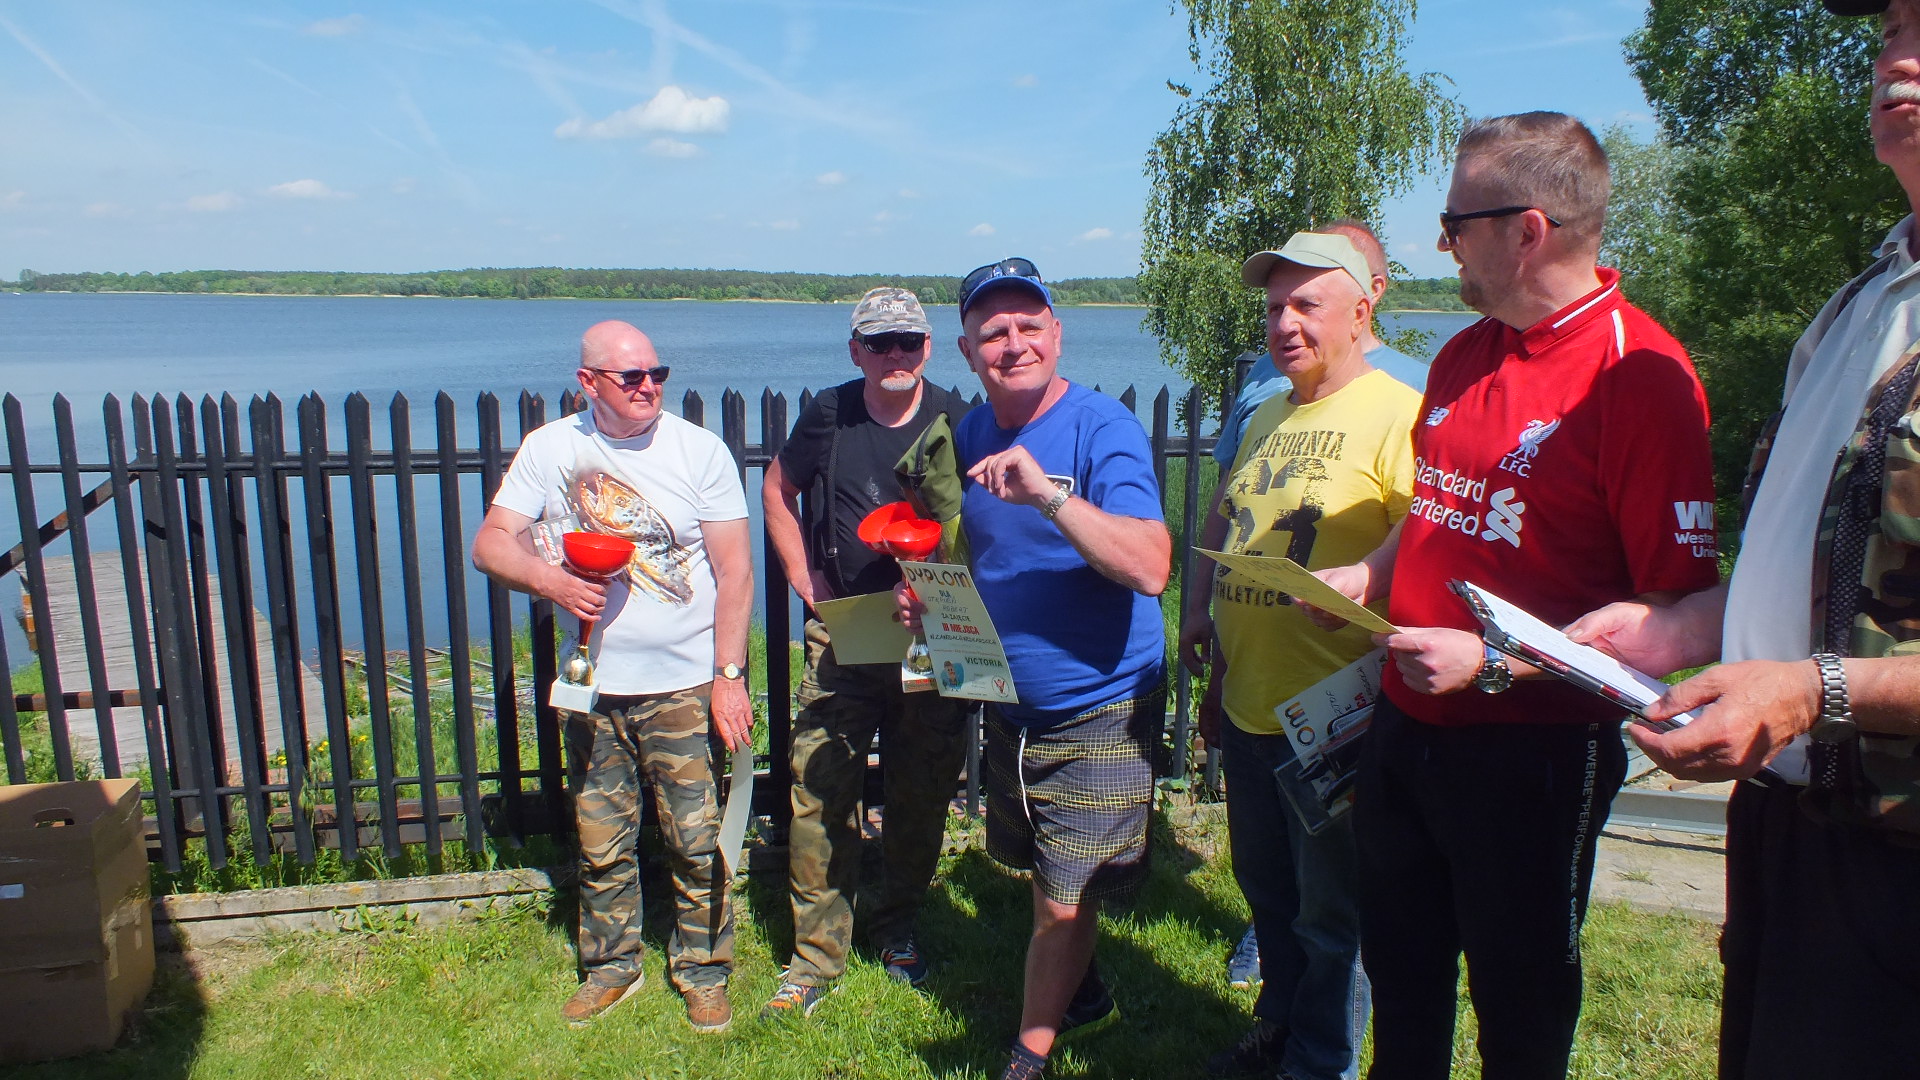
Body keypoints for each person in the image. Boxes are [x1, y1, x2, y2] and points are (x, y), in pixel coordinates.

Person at [1309, 113, 1719, 1078]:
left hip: (1532, 752)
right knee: (1401, 975)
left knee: (1520, 1000)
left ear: (1527, 230)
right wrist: (1368, 576)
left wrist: (1496, 663)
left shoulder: (1638, 376)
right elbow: (1437, 508)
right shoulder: (1468, 352)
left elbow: (1677, 617)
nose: (1442, 243)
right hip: (1404, 725)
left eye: (1456, 223)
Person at [1563, 3, 1920, 1073]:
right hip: (1793, 835)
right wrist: (1681, 628)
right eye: (1891, 29)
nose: (1898, 58)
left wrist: (1812, 691)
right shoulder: (1865, 299)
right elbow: (1818, 556)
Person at [902, 257, 1171, 1080]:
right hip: (1012, 703)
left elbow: (1151, 565)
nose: (1013, 344)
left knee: (1065, 894)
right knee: (1041, 869)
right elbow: (971, 553)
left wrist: (1049, 496)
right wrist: (931, 599)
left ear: (1057, 333)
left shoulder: (1102, 429)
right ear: (966, 351)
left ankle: (1031, 1052)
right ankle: (1082, 996)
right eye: (994, 332)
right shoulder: (968, 436)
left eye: (1029, 326)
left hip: (1100, 702)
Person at [471, 319, 753, 1033]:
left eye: (657, 373)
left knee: (696, 839)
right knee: (601, 840)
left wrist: (728, 676)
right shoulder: (551, 448)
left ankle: (704, 971)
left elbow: (735, 571)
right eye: (631, 377)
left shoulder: (699, 451)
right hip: (593, 686)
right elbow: (490, 544)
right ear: (588, 382)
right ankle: (611, 967)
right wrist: (551, 582)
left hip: (683, 686)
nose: (649, 387)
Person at [1191, 232, 1422, 1080]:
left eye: (1305, 305)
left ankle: (1321, 1063)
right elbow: (1232, 525)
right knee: (1270, 895)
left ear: (1361, 312)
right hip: (1253, 702)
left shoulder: (1399, 413)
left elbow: (1429, 541)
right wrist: (1205, 630)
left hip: (1337, 715)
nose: (1284, 324)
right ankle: (1281, 1029)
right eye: (1273, 308)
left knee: (1333, 916)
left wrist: (1369, 583)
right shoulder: (1268, 413)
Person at [759, 287, 974, 1018]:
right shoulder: (831, 413)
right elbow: (778, 489)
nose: (895, 355)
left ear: (928, 347)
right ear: (856, 350)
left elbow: (986, 525)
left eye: (908, 341)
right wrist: (804, 579)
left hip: (931, 637)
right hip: (846, 631)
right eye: (879, 343)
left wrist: (949, 594)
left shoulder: (958, 420)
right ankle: (815, 957)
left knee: (921, 790)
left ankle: (897, 926)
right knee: (821, 787)